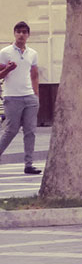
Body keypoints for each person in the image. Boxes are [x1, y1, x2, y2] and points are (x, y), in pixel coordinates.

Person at [0, 21, 41, 175]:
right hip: (12, 97)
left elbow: (35, 74)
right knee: (11, 130)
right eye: (18, 32)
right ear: (14, 33)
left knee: (30, 131)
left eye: (24, 32)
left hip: (29, 97)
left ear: (28, 35)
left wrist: (36, 95)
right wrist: (8, 68)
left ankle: (29, 164)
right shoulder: (5, 52)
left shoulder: (32, 53)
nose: (21, 35)